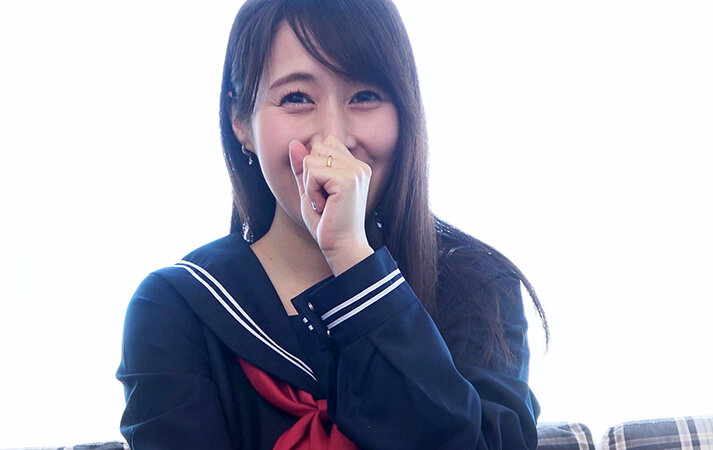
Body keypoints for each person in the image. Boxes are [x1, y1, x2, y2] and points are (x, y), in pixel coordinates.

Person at [116, 0, 548, 448]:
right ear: (240, 121)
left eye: (365, 96)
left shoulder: (476, 288)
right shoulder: (177, 308)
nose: (334, 138)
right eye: (297, 98)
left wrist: (353, 260)